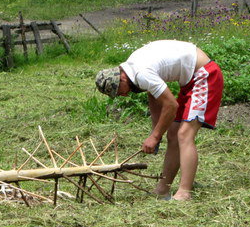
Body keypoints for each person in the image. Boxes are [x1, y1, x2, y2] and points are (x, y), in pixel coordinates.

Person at [95, 40, 223, 201]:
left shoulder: (141, 73)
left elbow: (170, 105)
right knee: (173, 135)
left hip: (205, 75)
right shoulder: (132, 69)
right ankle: (163, 189)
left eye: (119, 92)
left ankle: (185, 192)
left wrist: (154, 137)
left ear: (121, 79)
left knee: (184, 134)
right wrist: (156, 132)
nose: (124, 95)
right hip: (189, 81)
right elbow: (155, 98)